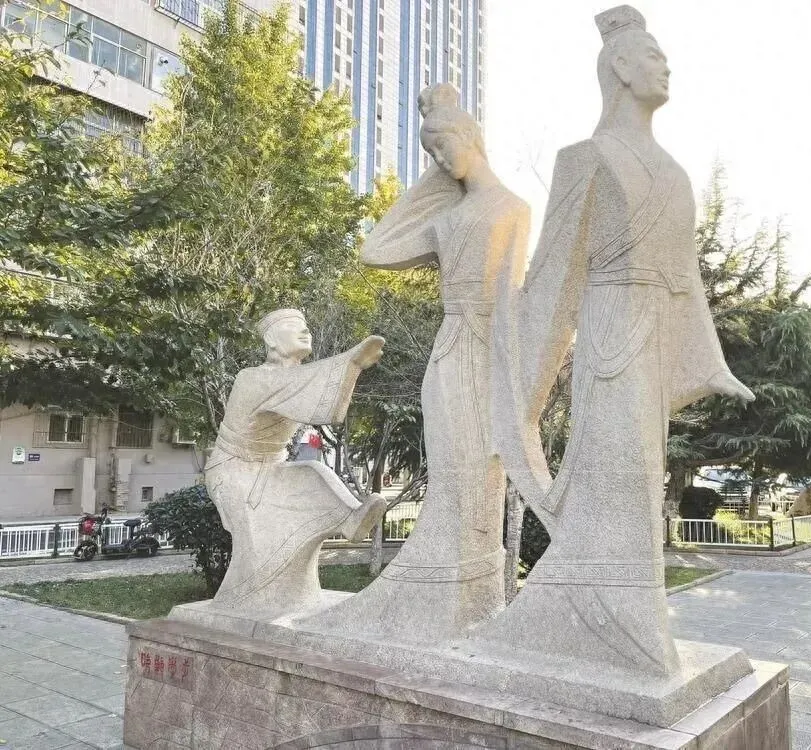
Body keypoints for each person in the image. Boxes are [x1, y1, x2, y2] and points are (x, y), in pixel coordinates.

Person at [482, 5, 753, 674]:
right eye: (655, 56)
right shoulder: (586, 158)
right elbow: (553, 279)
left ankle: (607, 613)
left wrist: (710, 363)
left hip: (655, 341)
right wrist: (522, 394)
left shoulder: (675, 171)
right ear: (621, 68)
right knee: (617, 478)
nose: (667, 66)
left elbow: (686, 277)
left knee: (640, 478)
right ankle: (613, 620)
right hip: (610, 338)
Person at [306, 84, 530, 642]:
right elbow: (375, 250)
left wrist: (516, 377)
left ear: (470, 136)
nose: (440, 158)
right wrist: (435, 178)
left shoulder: (513, 209)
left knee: (481, 465)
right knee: (452, 463)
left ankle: (470, 582)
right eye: (430, 152)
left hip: (487, 348)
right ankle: (439, 577)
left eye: (443, 146)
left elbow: (513, 296)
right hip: (448, 351)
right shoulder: (446, 220)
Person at [205, 309, 386, 616]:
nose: (306, 332)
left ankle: (351, 518)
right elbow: (297, 386)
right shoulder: (252, 379)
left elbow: (323, 408)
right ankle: (244, 598)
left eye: (306, 327)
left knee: (312, 472)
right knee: (257, 545)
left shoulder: (295, 379)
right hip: (233, 470)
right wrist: (350, 363)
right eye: (294, 327)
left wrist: (351, 366)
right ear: (271, 340)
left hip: (271, 467)